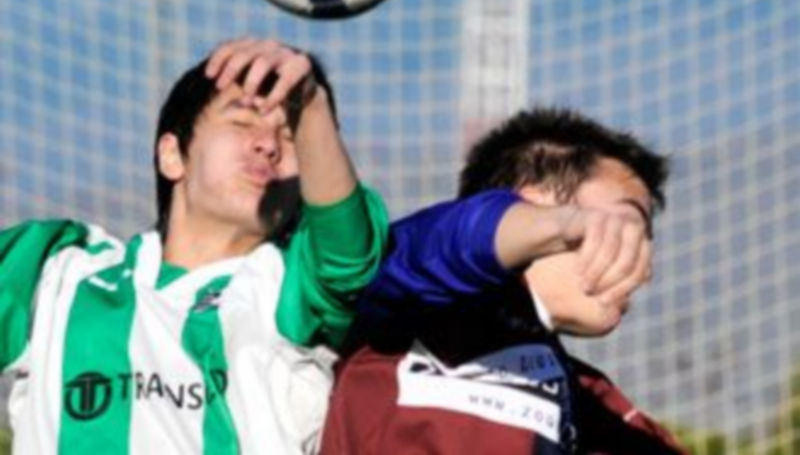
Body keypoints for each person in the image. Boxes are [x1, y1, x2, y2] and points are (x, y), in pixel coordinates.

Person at [0, 38, 388, 454]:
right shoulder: (55, 271)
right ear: (172, 155)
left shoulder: (290, 291)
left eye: (291, 136)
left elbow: (348, 258)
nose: (269, 144)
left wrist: (311, 105)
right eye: (242, 123)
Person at [321, 107, 687, 454]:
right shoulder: (419, 295)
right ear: (532, 201)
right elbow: (452, 239)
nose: (642, 263)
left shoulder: (587, 398)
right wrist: (562, 226)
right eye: (628, 223)